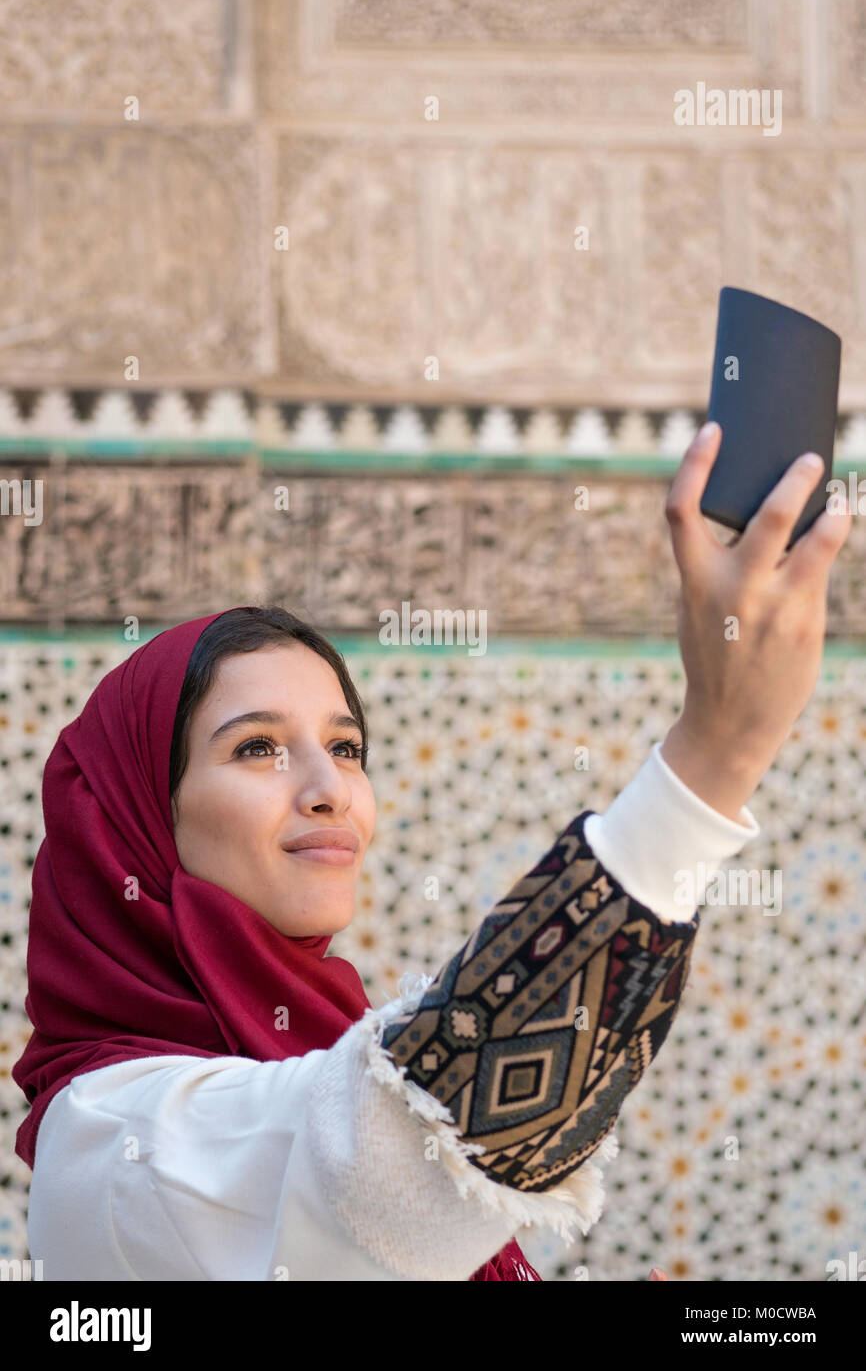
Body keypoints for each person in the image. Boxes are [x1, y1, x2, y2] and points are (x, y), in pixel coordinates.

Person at [11, 423, 850, 1281]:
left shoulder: (312, 1052)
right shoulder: (115, 1133)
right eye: (256, 747)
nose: (329, 789)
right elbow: (412, 1152)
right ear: (134, 824)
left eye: (345, 748)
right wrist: (714, 756)